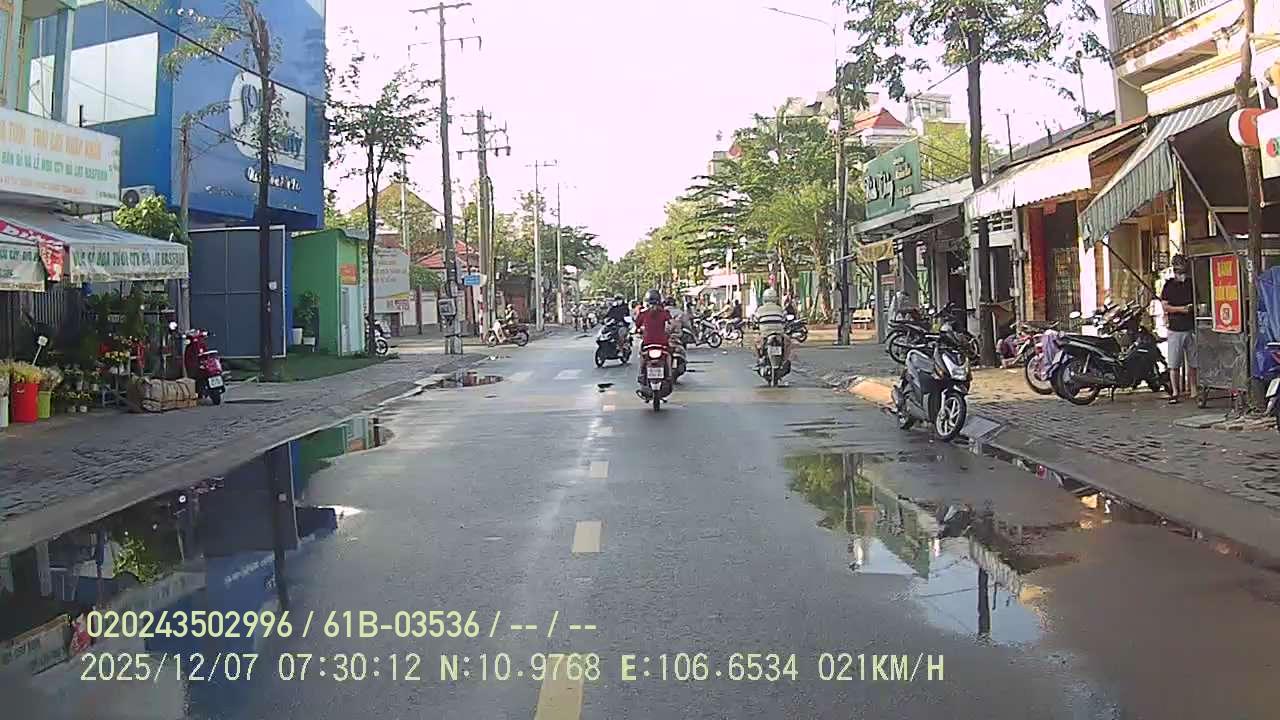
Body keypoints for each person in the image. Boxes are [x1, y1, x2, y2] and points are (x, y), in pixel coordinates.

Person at [1161, 254, 1197, 404]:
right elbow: (1165, 306)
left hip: (1191, 327)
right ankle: (1175, 391)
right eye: (1178, 269)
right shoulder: (1169, 286)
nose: (1181, 273)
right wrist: (1181, 309)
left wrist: (1191, 308)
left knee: (1193, 362)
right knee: (1174, 363)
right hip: (1175, 328)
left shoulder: (1190, 284)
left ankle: (1193, 389)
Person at [633, 289, 672, 382]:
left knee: (642, 355)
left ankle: (641, 373)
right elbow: (670, 324)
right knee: (668, 355)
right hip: (662, 342)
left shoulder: (643, 313)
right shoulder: (664, 313)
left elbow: (637, 325)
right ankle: (670, 374)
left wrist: (638, 331)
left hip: (647, 342)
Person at [753, 288, 790, 366]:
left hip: (765, 334)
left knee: (756, 343)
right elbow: (785, 321)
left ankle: (759, 359)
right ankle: (784, 360)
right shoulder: (780, 309)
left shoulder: (760, 310)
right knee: (788, 342)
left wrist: (756, 327)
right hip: (779, 334)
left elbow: (755, 321)